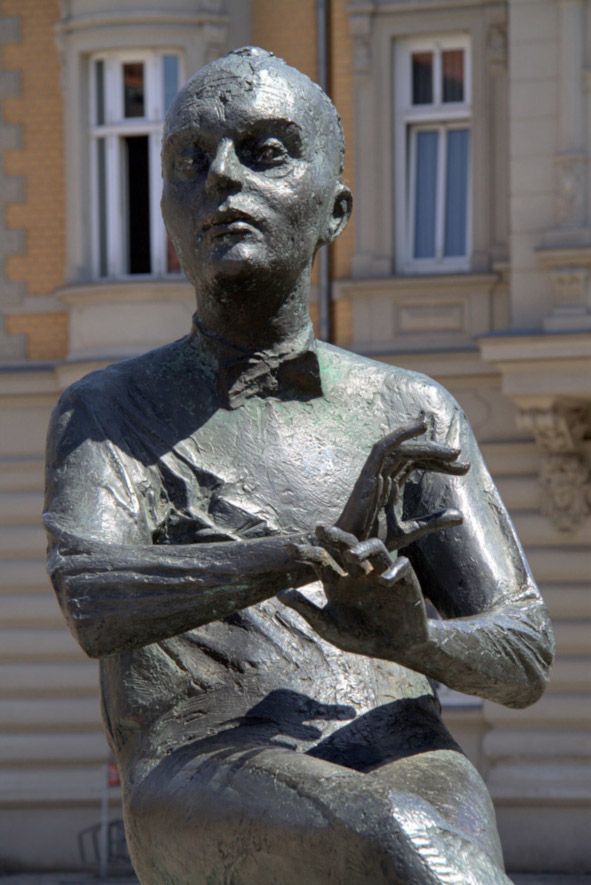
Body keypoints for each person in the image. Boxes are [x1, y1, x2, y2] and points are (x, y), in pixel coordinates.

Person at [44, 47, 554, 884]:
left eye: (266, 151)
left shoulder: (409, 408)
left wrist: (414, 637)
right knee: (400, 837)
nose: (221, 177)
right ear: (167, 209)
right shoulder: (110, 408)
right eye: (190, 160)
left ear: (334, 210)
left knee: (435, 845)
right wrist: (298, 554)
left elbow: (524, 654)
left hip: (401, 745)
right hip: (204, 761)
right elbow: (93, 597)